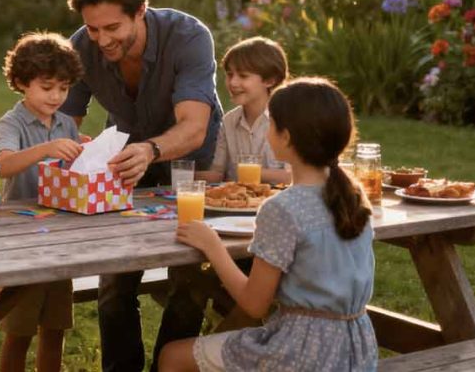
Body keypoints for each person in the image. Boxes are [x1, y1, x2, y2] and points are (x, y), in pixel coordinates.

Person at [60, 0, 223, 372]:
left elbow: (194, 127)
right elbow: (62, 124)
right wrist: (67, 150)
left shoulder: (188, 37)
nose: (101, 39)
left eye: (112, 28)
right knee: (115, 281)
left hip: (188, 163)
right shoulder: (82, 46)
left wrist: (151, 149)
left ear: (140, 12)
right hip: (125, 161)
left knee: (188, 280)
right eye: (93, 29)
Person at [161, 77, 377, 372]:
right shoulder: (353, 195)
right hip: (356, 346)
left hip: (301, 352)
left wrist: (213, 245)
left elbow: (254, 305)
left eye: (271, 123)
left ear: (285, 137)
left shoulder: (282, 208)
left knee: (173, 356)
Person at [0, 32, 85, 372]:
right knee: (19, 330)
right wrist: (45, 149)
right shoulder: (11, 122)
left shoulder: (65, 123)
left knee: (55, 326)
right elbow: (3, 165)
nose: (57, 96)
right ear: (21, 82)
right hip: (21, 240)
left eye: (63, 87)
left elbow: (73, 171)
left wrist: (86, 151)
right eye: (47, 87)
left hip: (58, 236)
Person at [197, 36, 292, 185]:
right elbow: (217, 173)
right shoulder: (229, 121)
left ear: (270, 80)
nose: (233, 83)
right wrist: (181, 174)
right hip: (236, 204)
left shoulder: (289, 120)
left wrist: (252, 172)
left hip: (276, 205)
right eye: (229, 74)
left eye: (243, 76)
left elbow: (293, 177)